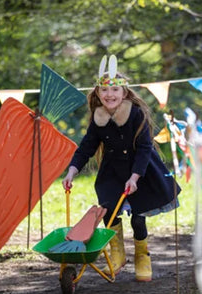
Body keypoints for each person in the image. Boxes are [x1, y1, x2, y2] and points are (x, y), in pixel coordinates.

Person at [62, 55, 181, 282]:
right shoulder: (98, 119)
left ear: (124, 93)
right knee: (110, 211)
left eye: (115, 91)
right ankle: (118, 254)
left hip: (141, 169)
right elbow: (86, 147)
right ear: (98, 93)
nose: (110, 95)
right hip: (113, 172)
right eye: (105, 91)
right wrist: (72, 171)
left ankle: (142, 255)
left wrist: (135, 177)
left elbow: (145, 148)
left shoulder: (137, 115)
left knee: (138, 217)